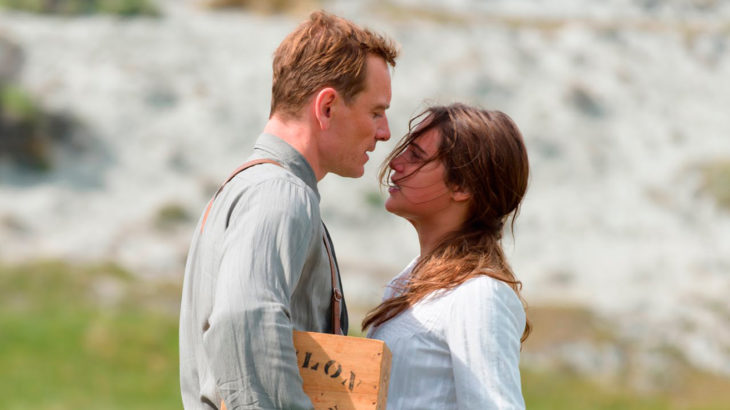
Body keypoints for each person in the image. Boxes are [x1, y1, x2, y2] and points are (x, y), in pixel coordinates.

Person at [179, 11, 398, 409]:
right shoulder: (280, 193)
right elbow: (244, 320)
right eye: (376, 112)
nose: (384, 132)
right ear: (327, 107)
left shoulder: (246, 187)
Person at [364, 103, 531, 409]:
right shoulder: (407, 281)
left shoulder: (478, 295)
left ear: (462, 186)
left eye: (416, 155)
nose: (396, 163)